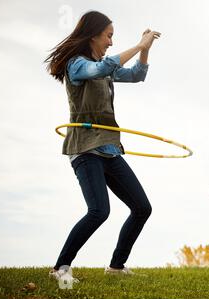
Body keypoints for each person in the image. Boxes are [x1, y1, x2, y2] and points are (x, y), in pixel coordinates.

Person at [44, 11, 160, 279]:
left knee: (142, 208)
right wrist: (138, 45)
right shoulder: (77, 65)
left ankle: (115, 268)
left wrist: (146, 50)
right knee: (98, 211)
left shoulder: (104, 66)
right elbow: (101, 68)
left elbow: (136, 75)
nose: (110, 42)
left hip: (108, 148)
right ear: (93, 35)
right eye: (108, 36)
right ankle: (60, 269)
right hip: (84, 149)